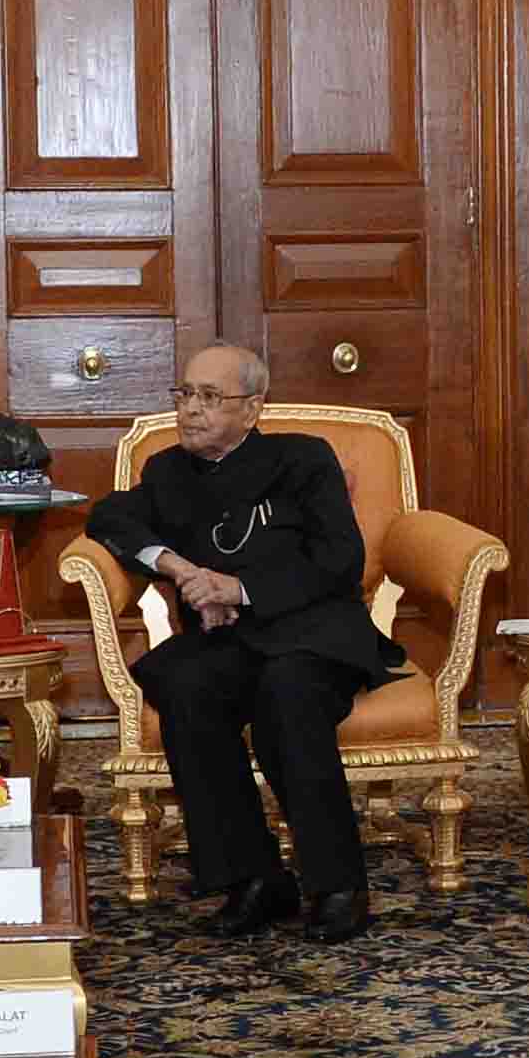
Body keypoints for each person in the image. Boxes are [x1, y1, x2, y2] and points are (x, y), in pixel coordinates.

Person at [82, 344, 404, 942]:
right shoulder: (166, 471)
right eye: (184, 395)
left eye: (210, 397)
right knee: (186, 685)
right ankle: (253, 878)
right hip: (225, 640)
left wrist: (239, 587)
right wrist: (177, 568)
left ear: (253, 408)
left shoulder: (303, 459)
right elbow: (110, 518)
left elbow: (341, 562)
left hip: (314, 632)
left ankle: (337, 884)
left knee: (289, 694)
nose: (191, 411)